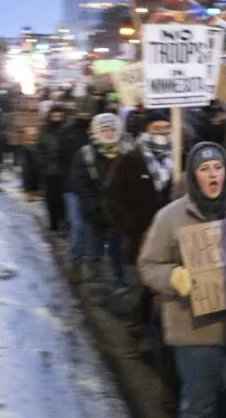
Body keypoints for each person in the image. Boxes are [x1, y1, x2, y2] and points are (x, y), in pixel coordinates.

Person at [138, 142, 226, 418]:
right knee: (200, 408)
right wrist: (174, 277)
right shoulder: (170, 217)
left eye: (218, 167)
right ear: (193, 175)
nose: (213, 174)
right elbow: (148, 264)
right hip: (196, 338)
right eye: (204, 169)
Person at [104, 109, 174, 325]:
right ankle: (138, 331)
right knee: (141, 288)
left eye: (165, 128)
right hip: (139, 238)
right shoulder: (129, 160)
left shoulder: (178, 159)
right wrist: (128, 228)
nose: (161, 132)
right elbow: (112, 198)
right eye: (156, 128)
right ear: (146, 130)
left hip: (171, 240)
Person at [72, 113, 133, 289]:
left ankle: (120, 282)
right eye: (104, 130)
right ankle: (94, 286)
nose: (109, 134)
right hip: (95, 213)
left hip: (120, 213)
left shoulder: (127, 151)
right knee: (94, 249)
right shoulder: (86, 154)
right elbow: (81, 185)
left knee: (119, 250)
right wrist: (95, 209)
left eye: (112, 129)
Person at [60, 96, 97, 280]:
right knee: (77, 225)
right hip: (72, 187)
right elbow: (61, 159)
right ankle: (76, 262)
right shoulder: (68, 132)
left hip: (93, 188)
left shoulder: (97, 131)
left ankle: (90, 263)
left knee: (91, 227)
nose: (85, 114)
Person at [37, 105, 68, 232]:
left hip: (63, 170)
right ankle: (53, 223)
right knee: (51, 198)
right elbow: (40, 149)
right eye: (54, 116)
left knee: (62, 198)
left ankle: (62, 221)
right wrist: (44, 164)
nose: (57, 119)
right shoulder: (45, 131)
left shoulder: (66, 130)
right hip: (49, 171)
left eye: (59, 116)